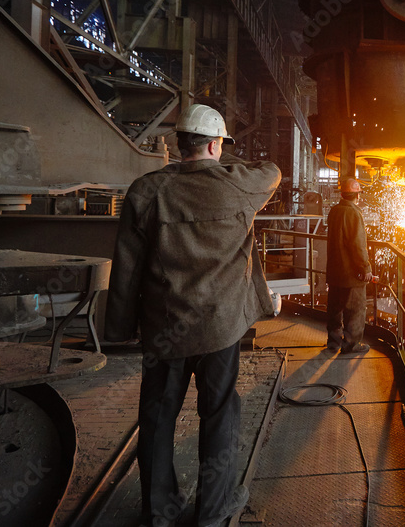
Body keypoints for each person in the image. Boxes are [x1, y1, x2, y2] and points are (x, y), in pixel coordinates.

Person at [105, 104, 281, 527]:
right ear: (216, 144)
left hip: (165, 328)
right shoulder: (238, 186)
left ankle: (159, 513)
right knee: (218, 414)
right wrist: (220, 158)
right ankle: (214, 511)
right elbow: (272, 168)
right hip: (220, 328)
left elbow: (126, 268)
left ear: (177, 143)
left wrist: (121, 328)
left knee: (158, 417)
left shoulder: (145, 191)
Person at [325, 177, 372, 354]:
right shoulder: (354, 213)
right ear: (356, 195)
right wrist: (365, 268)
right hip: (351, 274)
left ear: (343, 194)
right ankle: (351, 345)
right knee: (355, 310)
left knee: (335, 308)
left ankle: (333, 341)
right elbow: (358, 245)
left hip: (335, 271)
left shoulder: (334, 211)